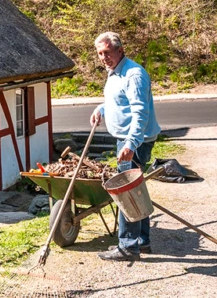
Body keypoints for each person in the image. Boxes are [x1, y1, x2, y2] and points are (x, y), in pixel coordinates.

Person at [90, 32, 161, 262]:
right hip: (127, 140)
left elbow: (140, 113)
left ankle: (128, 246)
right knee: (136, 191)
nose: (104, 58)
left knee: (126, 192)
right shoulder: (115, 73)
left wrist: (131, 143)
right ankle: (142, 241)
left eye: (107, 52)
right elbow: (119, 101)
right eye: (100, 53)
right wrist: (102, 109)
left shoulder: (134, 74)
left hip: (136, 142)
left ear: (120, 50)